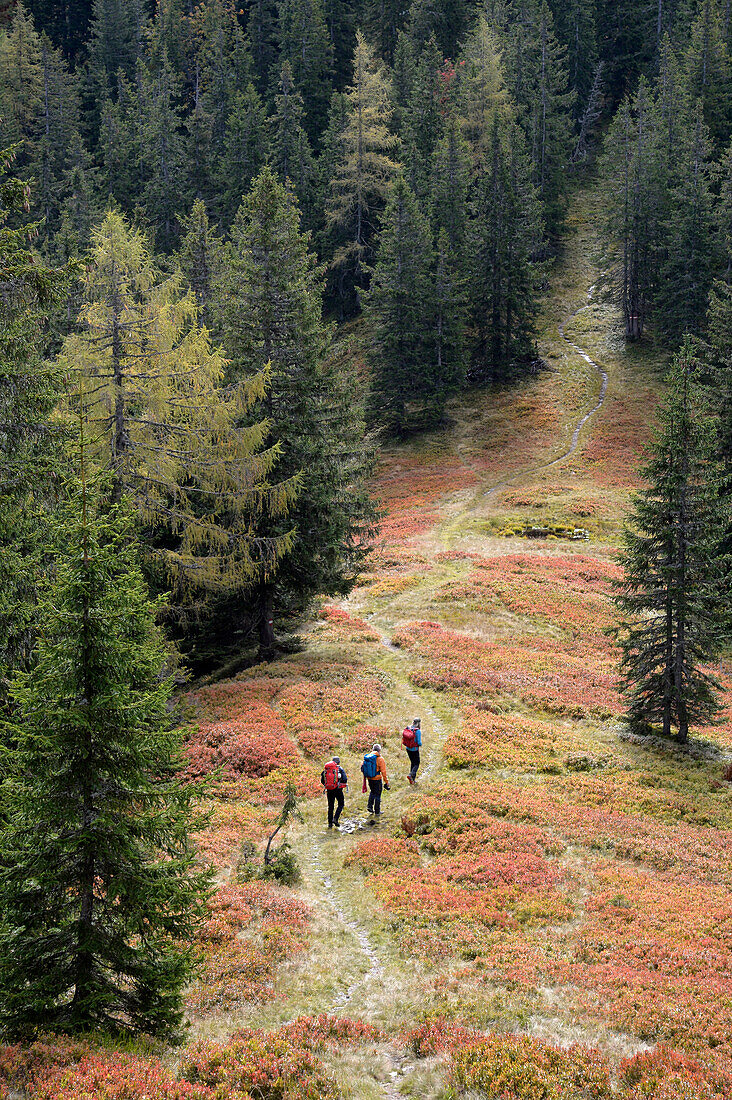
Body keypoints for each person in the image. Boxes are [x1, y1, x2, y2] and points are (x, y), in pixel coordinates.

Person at [361, 743, 389, 815]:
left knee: (372, 791)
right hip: (377, 779)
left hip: (369, 778)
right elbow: (383, 772)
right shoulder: (380, 759)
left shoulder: (368, 758)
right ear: (379, 750)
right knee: (378, 794)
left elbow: (362, 767)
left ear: (373, 749)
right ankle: (377, 811)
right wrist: (386, 782)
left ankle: (369, 806)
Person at [321, 756, 348, 829]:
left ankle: (330, 824)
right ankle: (335, 818)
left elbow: (322, 780)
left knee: (330, 806)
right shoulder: (339, 769)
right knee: (341, 803)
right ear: (338, 762)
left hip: (329, 790)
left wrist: (328, 785)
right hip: (338, 789)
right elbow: (345, 779)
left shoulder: (327, 769)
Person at [402, 717, 422, 785]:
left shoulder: (409, 728)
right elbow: (419, 743)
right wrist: (420, 744)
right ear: (419, 723)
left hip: (408, 749)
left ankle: (412, 780)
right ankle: (411, 775)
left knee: (412, 763)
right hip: (414, 750)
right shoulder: (417, 731)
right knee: (417, 763)